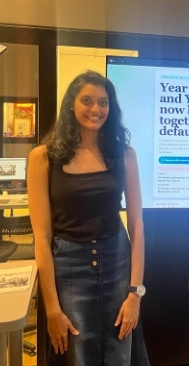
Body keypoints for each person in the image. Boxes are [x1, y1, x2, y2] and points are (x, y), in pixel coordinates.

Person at [27, 70, 145, 363]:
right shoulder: (43, 157)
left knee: (119, 349)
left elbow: (137, 226)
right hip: (68, 266)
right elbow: (41, 238)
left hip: (117, 261)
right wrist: (52, 308)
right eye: (87, 100)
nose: (96, 109)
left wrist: (135, 294)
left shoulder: (124, 155)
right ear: (71, 104)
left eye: (103, 102)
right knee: (75, 354)